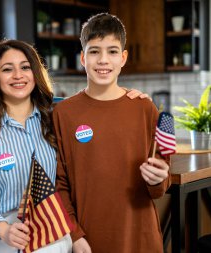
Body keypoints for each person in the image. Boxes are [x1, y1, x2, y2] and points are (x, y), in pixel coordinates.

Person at [0, 39, 148, 253]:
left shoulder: (56, 115)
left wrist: (129, 98)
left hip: (52, 219)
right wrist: (3, 229)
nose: (18, 76)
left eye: (25, 67)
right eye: (7, 69)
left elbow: (95, 108)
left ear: (36, 73)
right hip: (4, 227)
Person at [52, 13, 171, 253]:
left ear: (124, 58)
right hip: (89, 241)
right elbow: (58, 185)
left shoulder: (144, 108)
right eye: (95, 51)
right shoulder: (63, 113)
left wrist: (158, 179)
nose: (103, 60)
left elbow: (160, 184)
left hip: (141, 238)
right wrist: (74, 235)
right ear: (83, 58)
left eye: (113, 51)